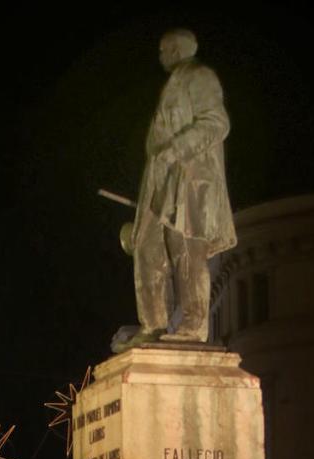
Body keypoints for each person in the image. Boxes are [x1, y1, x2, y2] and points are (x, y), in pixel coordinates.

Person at [112, 29, 236, 351]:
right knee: (145, 245)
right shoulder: (173, 84)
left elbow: (216, 122)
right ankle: (152, 324)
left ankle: (194, 325)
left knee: (184, 245)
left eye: (164, 48)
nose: (161, 54)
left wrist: (177, 148)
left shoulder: (199, 76)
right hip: (159, 178)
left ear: (179, 48)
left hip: (188, 176)